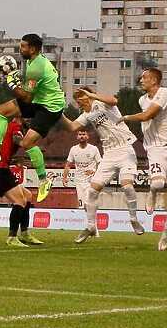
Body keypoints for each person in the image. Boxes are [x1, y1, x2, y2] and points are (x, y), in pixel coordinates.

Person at [0, 34, 66, 202]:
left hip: (48, 108)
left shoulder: (36, 67)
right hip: (42, 101)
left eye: (23, 46)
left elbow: (26, 98)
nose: (21, 49)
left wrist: (11, 81)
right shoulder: (34, 62)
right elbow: (30, 91)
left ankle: (43, 181)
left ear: (32, 48)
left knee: (27, 143)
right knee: (2, 110)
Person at [62, 87, 145, 243]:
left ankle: (133, 219)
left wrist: (93, 95)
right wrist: (57, 114)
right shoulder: (87, 114)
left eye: (80, 101)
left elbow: (114, 100)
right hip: (109, 154)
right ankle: (91, 226)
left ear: (87, 97)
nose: (79, 106)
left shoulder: (104, 104)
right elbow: (72, 126)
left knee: (127, 185)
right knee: (92, 191)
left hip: (125, 149)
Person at [121, 68, 167, 251]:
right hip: (156, 149)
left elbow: (148, 115)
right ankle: (153, 193)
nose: (141, 80)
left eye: (145, 78)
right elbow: (147, 117)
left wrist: (125, 117)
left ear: (155, 80)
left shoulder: (165, 93)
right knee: (157, 184)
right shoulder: (142, 99)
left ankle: (166, 233)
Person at [0, 118, 43, 247]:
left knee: (27, 196)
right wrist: (28, 145)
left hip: (1, 168)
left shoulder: (13, 126)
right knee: (19, 201)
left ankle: (25, 233)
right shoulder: (15, 125)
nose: (30, 119)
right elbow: (17, 139)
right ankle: (12, 237)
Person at [62, 130, 101, 211]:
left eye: (84, 134)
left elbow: (100, 163)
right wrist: (64, 178)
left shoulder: (94, 149)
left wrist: (94, 172)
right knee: (81, 205)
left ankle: (92, 220)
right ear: (77, 137)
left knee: (88, 203)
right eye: (80, 134)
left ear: (88, 136)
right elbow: (68, 165)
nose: (82, 136)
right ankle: (84, 221)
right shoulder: (73, 149)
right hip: (79, 181)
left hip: (91, 181)